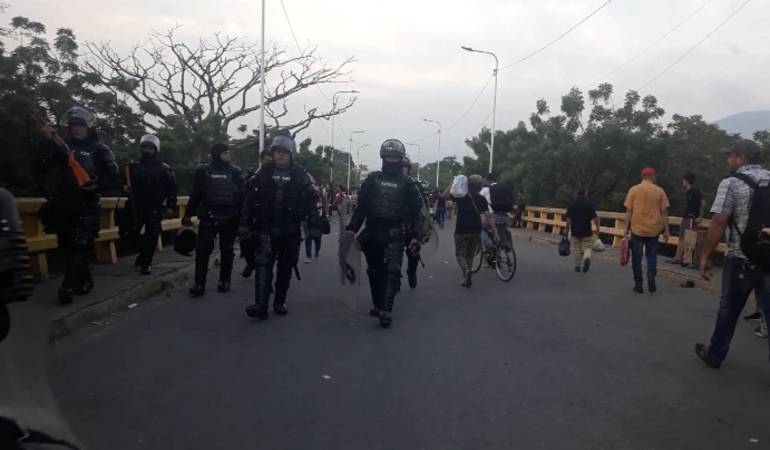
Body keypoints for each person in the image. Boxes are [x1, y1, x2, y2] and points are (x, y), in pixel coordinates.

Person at [695, 139, 770, 368]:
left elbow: (719, 221)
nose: (728, 159)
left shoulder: (731, 183)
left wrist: (705, 256)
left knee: (729, 308)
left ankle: (716, 354)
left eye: (730, 155)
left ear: (741, 158)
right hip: (769, 259)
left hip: (740, 257)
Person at [37, 106, 120, 304]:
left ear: (89, 127)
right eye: (73, 125)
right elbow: (41, 164)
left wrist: (97, 184)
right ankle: (84, 279)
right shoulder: (61, 147)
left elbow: (114, 177)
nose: (76, 129)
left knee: (81, 243)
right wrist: (46, 141)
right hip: (63, 203)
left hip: (87, 204)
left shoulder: (100, 150)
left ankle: (67, 286)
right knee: (66, 244)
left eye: (80, 125)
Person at [346, 139, 424, 328]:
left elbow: (417, 213)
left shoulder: (409, 183)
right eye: (388, 156)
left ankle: (386, 311)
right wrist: (351, 229)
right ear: (382, 157)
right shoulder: (372, 179)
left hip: (396, 234)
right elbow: (361, 208)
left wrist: (416, 236)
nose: (391, 160)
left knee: (392, 272)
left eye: (395, 157)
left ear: (400, 158)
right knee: (374, 271)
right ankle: (378, 305)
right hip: (372, 232)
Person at [241, 135, 319, 319]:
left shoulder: (301, 175)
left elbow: (311, 203)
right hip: (266, 228)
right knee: (263, 265)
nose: (280, 156)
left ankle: (279, 301)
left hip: (290, 230)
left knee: (285, 268)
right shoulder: (262, 172)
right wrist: (244, 223)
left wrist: (314, 225)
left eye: (284, 152)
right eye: (277, 152)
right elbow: (249, 200)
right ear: (273, 153)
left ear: (291, 154)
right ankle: (261, 305)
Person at [182, 143, 244, 297]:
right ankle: (199, 284)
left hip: (230, 216)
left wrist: (242, 219)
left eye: (229, 153)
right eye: (225, 153)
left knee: (227, 249)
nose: (228, 156)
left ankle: (225, 281)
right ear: (217, 154)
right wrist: (188, 214)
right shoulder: (203, 172)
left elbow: (243, 196)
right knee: (202, 250)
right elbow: (196, 194)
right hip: (208, 214)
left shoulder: (235, 172)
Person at [125, 134, 178, 275]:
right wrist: (124, 187)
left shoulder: (164, 168)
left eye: (150, 148)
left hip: (155, 206)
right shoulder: (132, 166)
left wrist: (171, 205)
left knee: (152, 235)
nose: (147, 150)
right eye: (145, 147)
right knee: (128, 232)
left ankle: (146, 263)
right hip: (136, 205)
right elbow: (120, 183)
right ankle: (143, 254)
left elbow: (172, 189)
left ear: (156, 149)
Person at [623, 167, 671, 294]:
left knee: (636, 257)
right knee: (651, 255)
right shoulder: (660, 191)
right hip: (653, 229)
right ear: (653, 176)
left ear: (642, 176)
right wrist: (667, 230)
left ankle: (638, 284)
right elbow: (664, 212)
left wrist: (625, 229)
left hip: (637, 228)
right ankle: (651, 274)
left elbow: (628, 211)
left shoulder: (633, 190)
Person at [447, 175, 498, 288]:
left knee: (460, 254)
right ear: (480, 186)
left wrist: (453, 183)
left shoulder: (461, 196)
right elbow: (488, 217)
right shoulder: (481, 199)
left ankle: (466, 270)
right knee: (470, 255)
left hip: (461, 229)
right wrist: (494, 231)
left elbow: (445, 196)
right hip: (476, 230)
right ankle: (467, 275)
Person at [240, 150, 273, 278]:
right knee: (245, 245)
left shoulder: (276, 178)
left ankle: (264, 279)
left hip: (268, 219)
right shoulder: (252, 175)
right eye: (265, 160)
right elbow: (245, 196)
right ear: (261, 160)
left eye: (270, 161)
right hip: (252, 216)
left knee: (265, 249)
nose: (267, 164)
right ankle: (251, 263)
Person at [401, 154, 425, 289]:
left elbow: (422, 208)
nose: (401, 170)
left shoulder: (415, 184)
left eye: (404, 167)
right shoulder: (384, 182)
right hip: (392, 222)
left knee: (414, 251)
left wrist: (418, 232)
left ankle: (411, 271)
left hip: (411, 222)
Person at [670, 173, 703, 265]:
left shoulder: (695, 192)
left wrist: (700, 216)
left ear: (687, 181)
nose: (682, 182)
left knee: (690, 238)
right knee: (681, 237)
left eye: (683, 180)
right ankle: (677, 257)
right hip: (685, 217)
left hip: (692, 217)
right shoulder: (687, 192)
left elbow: (702, 203)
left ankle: (687, 259)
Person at [566, 188, 600, 273]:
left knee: (577, 248)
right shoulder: (589, 204)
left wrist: (566, 230)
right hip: (586, 230)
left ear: (576, 194)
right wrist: (598, 228)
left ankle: (577, 266)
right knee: (587, 246)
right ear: (585, 193)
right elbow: (595, 218)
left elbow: (568, 220)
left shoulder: (573, 204)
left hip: (575, 230)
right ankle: (587, 257)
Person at [302, 195, 324, 263]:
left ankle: (316, 252)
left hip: (317, 227)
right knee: (309, 241)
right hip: (310, 227)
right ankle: (309, 255)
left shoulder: (318, 208)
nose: (316, 201)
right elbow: (304, 220)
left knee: (317, 242)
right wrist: (306, 231)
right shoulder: (307, 208)